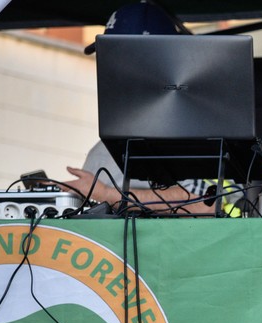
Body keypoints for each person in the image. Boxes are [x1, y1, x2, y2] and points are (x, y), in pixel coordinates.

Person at [57, 1, 238, 216]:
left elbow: (204, 203)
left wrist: (107, 194)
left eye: (121, 56)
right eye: (107, 57)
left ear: (160, 57)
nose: (111, 68)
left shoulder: (198, 126)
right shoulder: (105, 145)